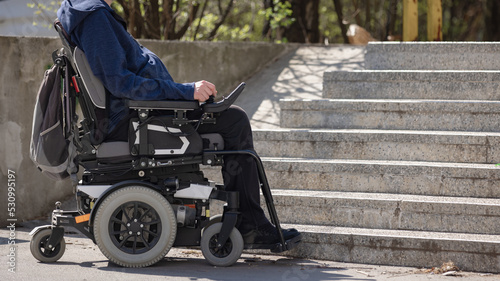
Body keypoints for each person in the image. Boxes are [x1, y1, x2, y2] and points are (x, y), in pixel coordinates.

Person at [57, 0, 299, 245]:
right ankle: (250, 225)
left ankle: (250, 221)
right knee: (233, 120)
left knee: (228, 116)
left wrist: (183, 95)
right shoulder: (95, 17)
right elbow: (121, 84)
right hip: (136, 122)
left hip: (139, 116)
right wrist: (184, 92)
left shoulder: (84, 11)